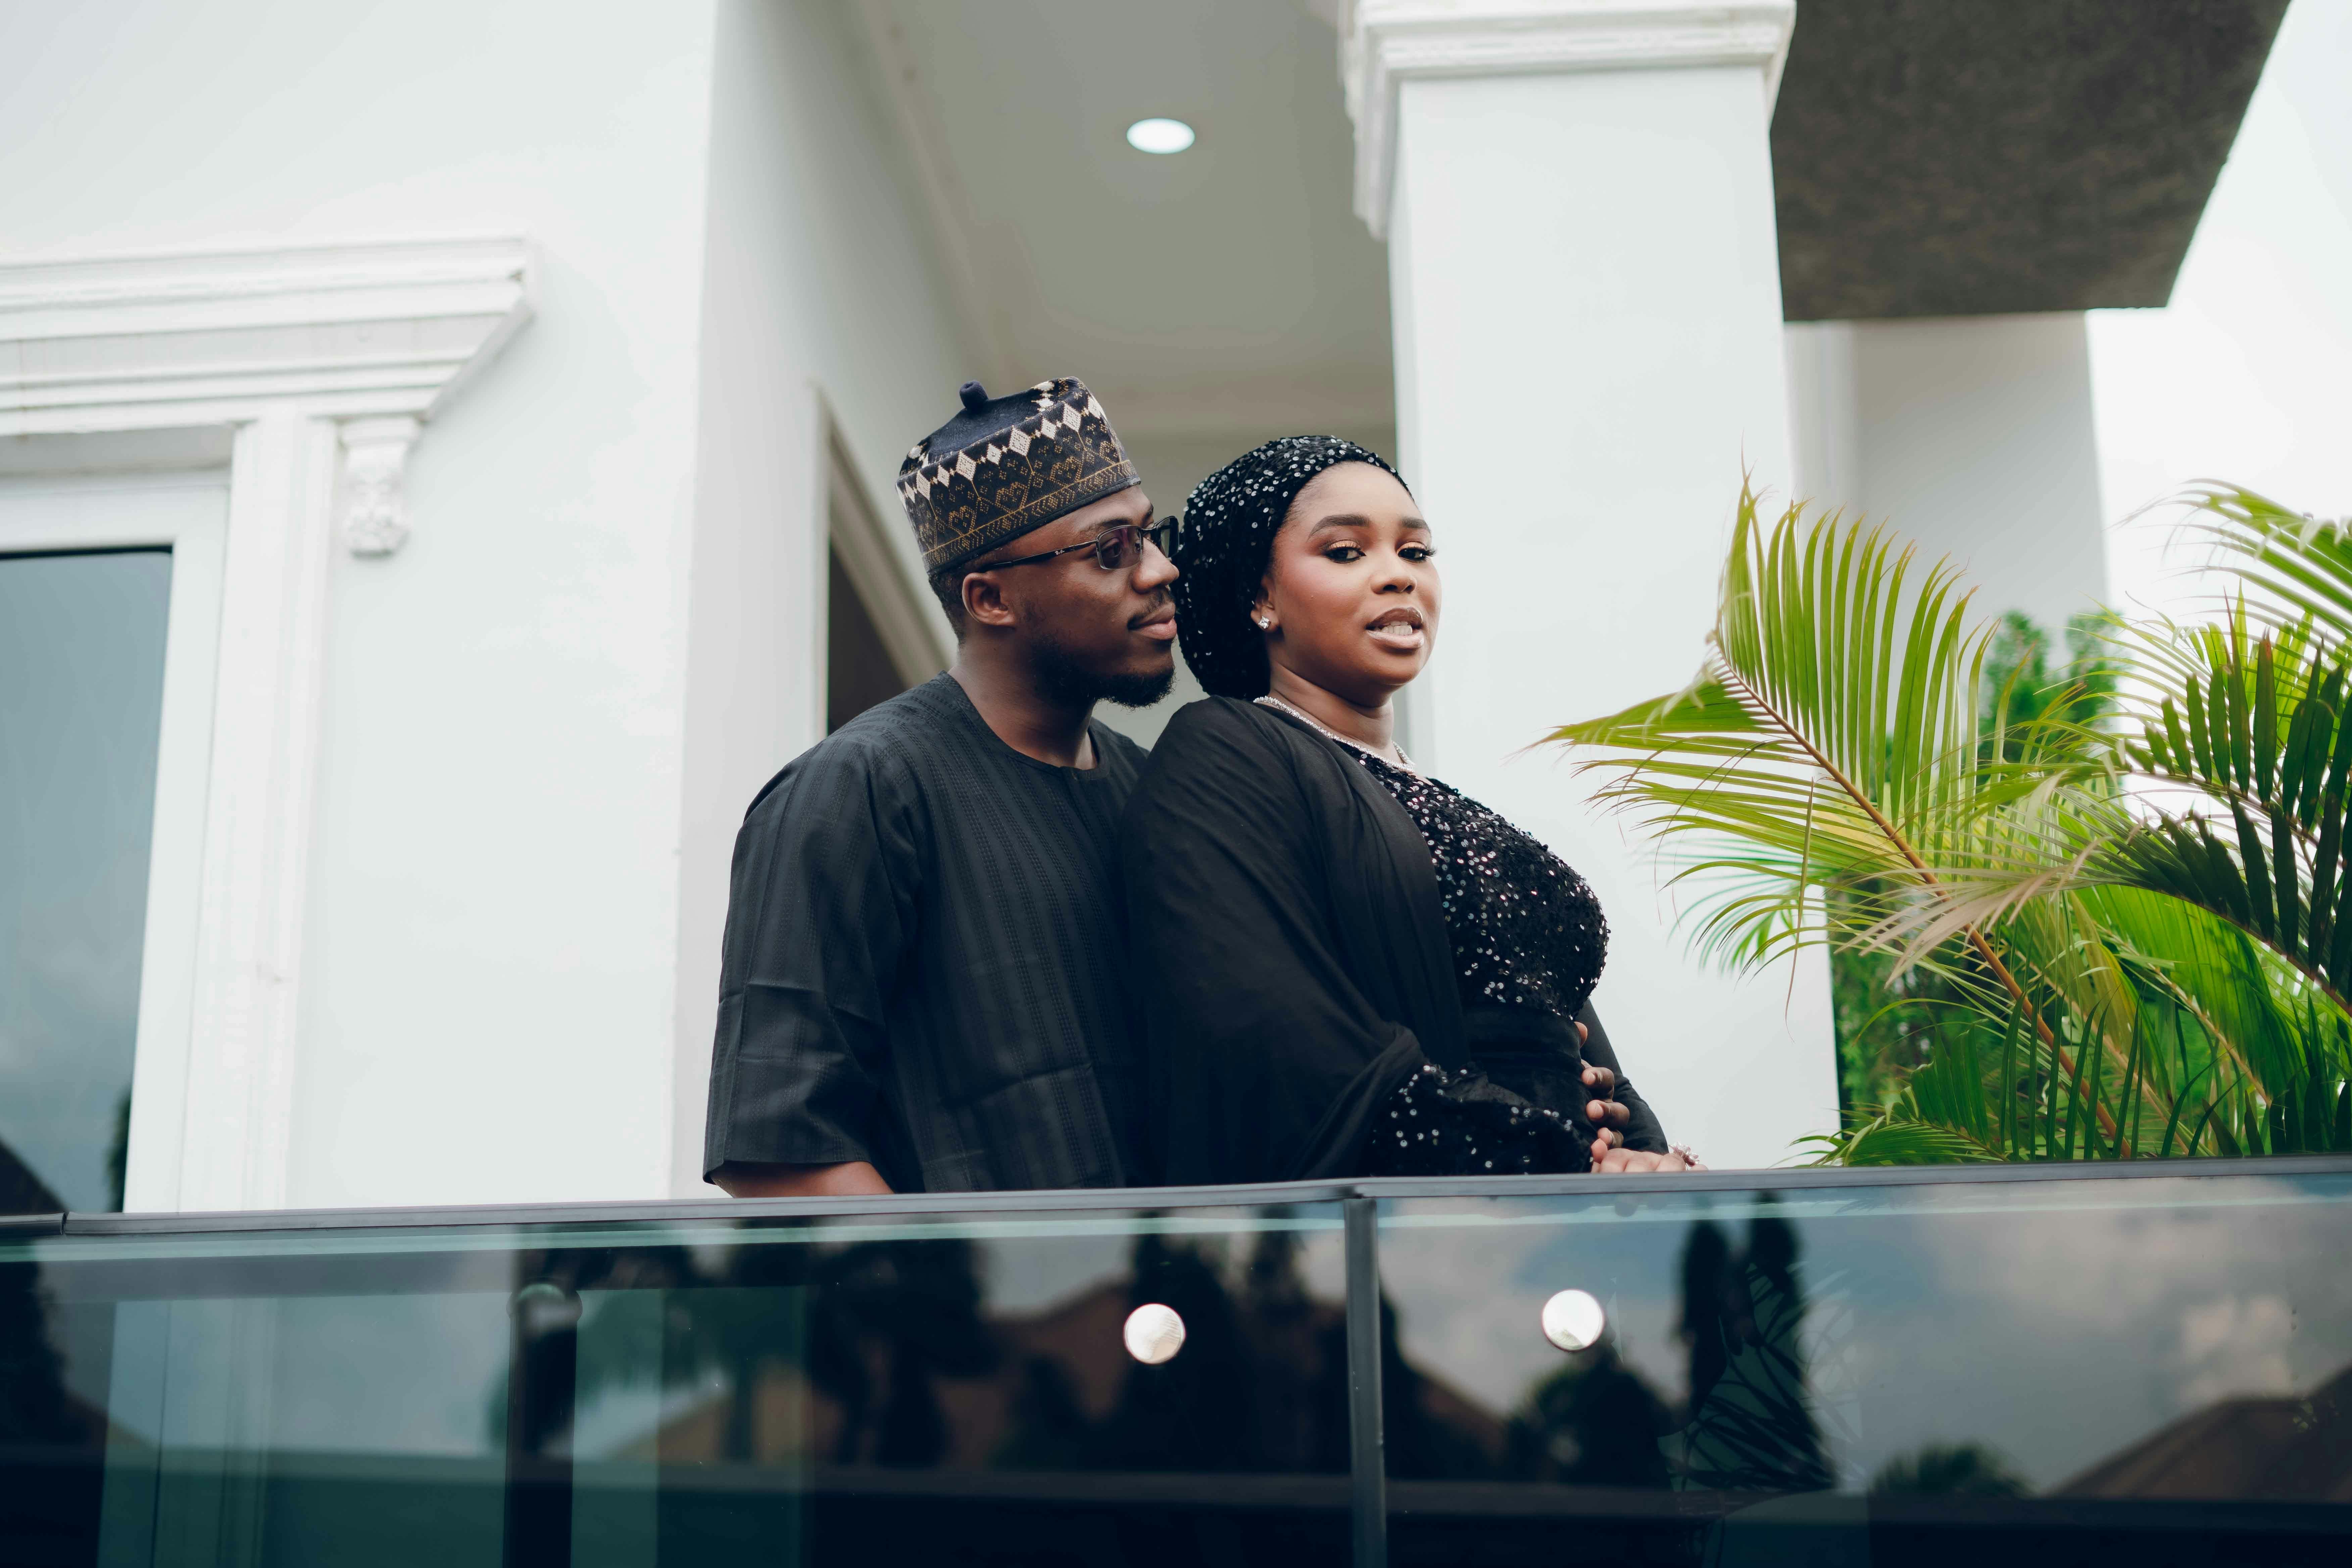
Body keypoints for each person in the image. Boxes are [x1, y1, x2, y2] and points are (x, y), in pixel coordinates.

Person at [1122, 436, 1702, 1184]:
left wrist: (1638, 1153)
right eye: (1344, 551)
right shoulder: (1228, 751)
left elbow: (1572, 1037)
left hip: (1575, 1230)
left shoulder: (1450, 806)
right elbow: (1270, 1038)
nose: (1397, 574)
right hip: (1421, 1240)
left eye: (1416, 550)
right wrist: (1549, 1153)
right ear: (1261, 595)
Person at [702, 377, 1181, 1197]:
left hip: (1176, 1313)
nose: (1161, 570)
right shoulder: (856, 790)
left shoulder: (1149, 791)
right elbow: (780, 1150)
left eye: (1150, 535)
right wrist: (973, 1318)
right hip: (979, 1320)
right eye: (1111, 549)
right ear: (990, 598)